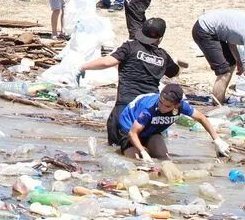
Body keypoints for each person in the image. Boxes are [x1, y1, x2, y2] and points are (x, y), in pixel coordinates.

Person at [78, 17, 182, 146]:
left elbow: (108, 61)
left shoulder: (130, 47)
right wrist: (174, 63)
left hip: (125, 108)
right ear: (160, 39)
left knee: (117, 150)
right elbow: (175, 72)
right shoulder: (163, 56)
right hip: (149, 111)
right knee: (145, 150)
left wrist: (83, 66)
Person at [116, 83, 228, 160]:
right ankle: (122, 149)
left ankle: (146, 147)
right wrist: (142, 151)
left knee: (163, 159)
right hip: (129, 130)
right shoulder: (148, 109)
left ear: (177, 105)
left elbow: (201, 118)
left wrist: (217, 140)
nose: (162, 107)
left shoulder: (182, 106)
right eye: (161, 102)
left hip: (151, 131)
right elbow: (133, 133)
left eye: (167, 106)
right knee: (138, 160)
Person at [192, 10, 245, 111]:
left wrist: (238, 61)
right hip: (204, 30)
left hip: (214, 29)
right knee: (224, 71)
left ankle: (219, 100)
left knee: (231, 64)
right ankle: (216, 107)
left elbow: (231, 39)